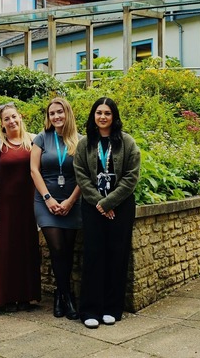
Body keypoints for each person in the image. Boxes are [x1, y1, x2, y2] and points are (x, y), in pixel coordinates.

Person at [73, 97, 141, 329]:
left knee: (117, 255)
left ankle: (112, 308)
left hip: (121, 207)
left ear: (114, 116)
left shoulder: (126, 142)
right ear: (93, 115)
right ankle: (90, 309)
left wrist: (110, 202)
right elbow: (81, 174)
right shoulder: (85, 143)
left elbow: (131, 176)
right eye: (99, 112)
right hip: (93, 208)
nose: (103, 117)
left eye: (107, 113)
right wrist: (100, 203)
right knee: (93, 256)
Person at [0, 102, 41, 312]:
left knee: (26, 250)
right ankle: (3, 298)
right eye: (7, 118)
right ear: (1, 123)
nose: (12, 121)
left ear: (20, 117)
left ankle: (25, 296)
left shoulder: (34, 141)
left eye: (14, 116)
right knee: (3, 250)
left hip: (28, 206)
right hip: (2, 207)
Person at [30, 97, 82, 320]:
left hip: (73, 200)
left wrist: (70, 201)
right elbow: (34, 170)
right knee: (57, 248)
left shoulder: (80, 140)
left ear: (67, 113)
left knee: (68, 251)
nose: (56, 116)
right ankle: (64, 295)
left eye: (59, 112)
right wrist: (49, 198)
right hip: (45, 200)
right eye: (52, 113)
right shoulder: (42, 138)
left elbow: (84, 175)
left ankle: (64, 297)